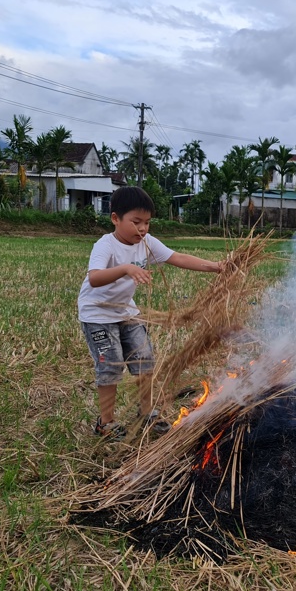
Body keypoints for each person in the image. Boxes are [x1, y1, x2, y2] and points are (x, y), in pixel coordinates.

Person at [78, 186, 225, 439]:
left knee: (144, 359)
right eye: (136, 222)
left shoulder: (147, 243)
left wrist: (217, 267)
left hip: (127, 313)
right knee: (111, 366)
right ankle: (106, 423)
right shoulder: (106, 245)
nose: (143, 228)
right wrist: (125, 268)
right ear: (115, 218)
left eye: (147, 222)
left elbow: (177, 257)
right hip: (98, 316)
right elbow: (95, 278)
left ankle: (147, 413)